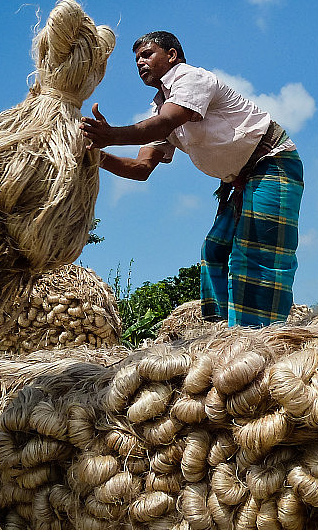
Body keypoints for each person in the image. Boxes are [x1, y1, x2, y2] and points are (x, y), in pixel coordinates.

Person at [79, 31, 303, 327]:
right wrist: (95, 156)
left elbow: (166, 123)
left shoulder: (190, 78)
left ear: (172, 55)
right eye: (136, 60)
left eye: (147, 55)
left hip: (272, 162)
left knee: (257, 252)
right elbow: (141, 168)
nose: (140, 63)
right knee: (215, 250)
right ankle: (221, 329)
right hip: (240, 180)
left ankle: (256, 334)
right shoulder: (160, 106)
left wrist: (111, 136)